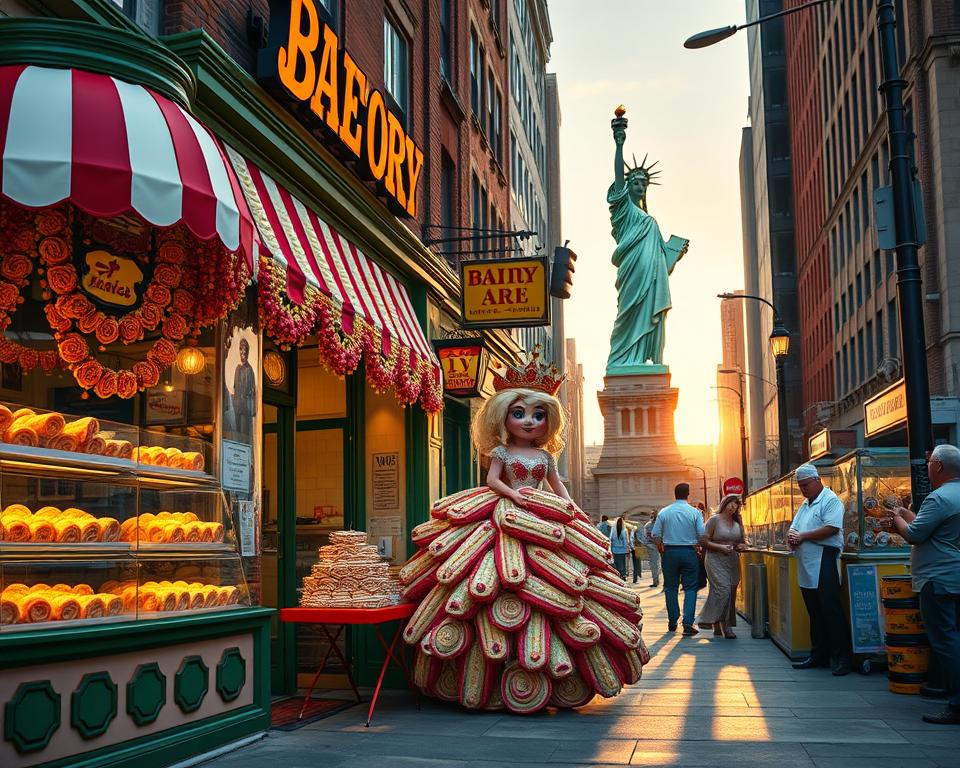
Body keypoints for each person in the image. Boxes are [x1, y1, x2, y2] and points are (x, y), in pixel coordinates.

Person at [890, 444, 960, 724]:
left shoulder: (939, 497)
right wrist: (909, 516)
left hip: (938, 578)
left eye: (930, 462)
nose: (927, 467)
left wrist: (897, 520)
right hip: (954, 576)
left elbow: (915, 535)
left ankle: (955, 703)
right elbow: (932, 529)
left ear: (939, 466)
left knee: (945, 641)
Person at [788, 463, 852, 676]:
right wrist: (792, 536)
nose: (803, 489)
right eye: (800, 486)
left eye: (806, 485)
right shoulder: (805, 504)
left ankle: (842, 657)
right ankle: (819, 654)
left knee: (830, 609)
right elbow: (794, 527)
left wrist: (803, 536)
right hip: (806, 562)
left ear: (817, 480)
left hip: (824, 558)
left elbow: (832, 527)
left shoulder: (830, 500)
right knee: (814, 610)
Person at [651, 483, 705, 635]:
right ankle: (688, 623)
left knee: (670, 587)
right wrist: (698, 547)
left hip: (670, 552)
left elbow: (655, 535)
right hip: (689, 552)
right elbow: (702, 534)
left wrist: (661, 548)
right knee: (690, 588)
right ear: (688, 494)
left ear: (674, 494)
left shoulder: (664, 512)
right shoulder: (695, 512)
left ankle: (672, 621)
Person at [697, 494, 745, 638]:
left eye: (736, 504)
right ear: (724, 503)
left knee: (729, 592)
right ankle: (725, 625)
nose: (733, 506)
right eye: (731, 502)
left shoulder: (738, 522)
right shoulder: (714, 520)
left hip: (732, 561)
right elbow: (703, 541)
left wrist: (741, 546)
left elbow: (740, 541)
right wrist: (720, 547)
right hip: (715, 560)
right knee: (724, 591)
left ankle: (717, 623)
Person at [643, 512, 661, 588]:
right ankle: (662, 581)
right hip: (661, 546)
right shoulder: (661, 525)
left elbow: (645, 536)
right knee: (661, 564)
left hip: (651, 547)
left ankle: (655, 581)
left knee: (654, 565)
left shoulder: (647, 525)